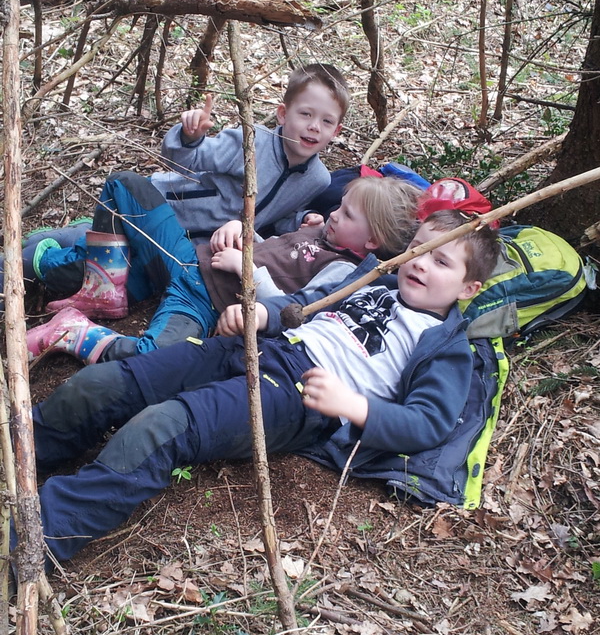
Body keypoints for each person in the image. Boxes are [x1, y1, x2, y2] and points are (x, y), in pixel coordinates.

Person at [23, 209, 500, 567]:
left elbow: (428, 423)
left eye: (441, 261)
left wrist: (355, 406)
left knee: (160, 427)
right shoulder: (373, 280)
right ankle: (22, 451)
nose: (420, 263)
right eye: (417, 249)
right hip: (256, 348)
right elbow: (304, 304)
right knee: (100, 385)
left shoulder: (445, 345)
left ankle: (34, 536)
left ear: (467, 289)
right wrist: (261, 314)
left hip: (297, 395)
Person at [22, 63, 350, 320]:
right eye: (305, 114)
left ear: (336, 130)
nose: (313, 127)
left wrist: (301, 219)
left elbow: (278, 216)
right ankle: (41, 245)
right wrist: (190, 137)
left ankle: (60, 244)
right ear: (283, 113)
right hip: (158, 207)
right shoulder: (250, 142)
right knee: (73, 243)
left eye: (325, 121)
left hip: (191, 242)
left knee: (99, 262)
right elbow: (184, 161)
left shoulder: (318, 179)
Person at [26, 176, 422, 363]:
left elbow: (292, 311)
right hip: (185, 258)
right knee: (125, 185)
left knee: (152, 356)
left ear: (372, 242)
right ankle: (104, 286)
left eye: (347, 214)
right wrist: (243, 231)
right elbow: (275, 251)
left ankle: (72, 331)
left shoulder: (342, 273)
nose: (335, 213)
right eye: (340, 206)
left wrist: (246, 269)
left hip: (202, 300)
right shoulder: (320, 231)